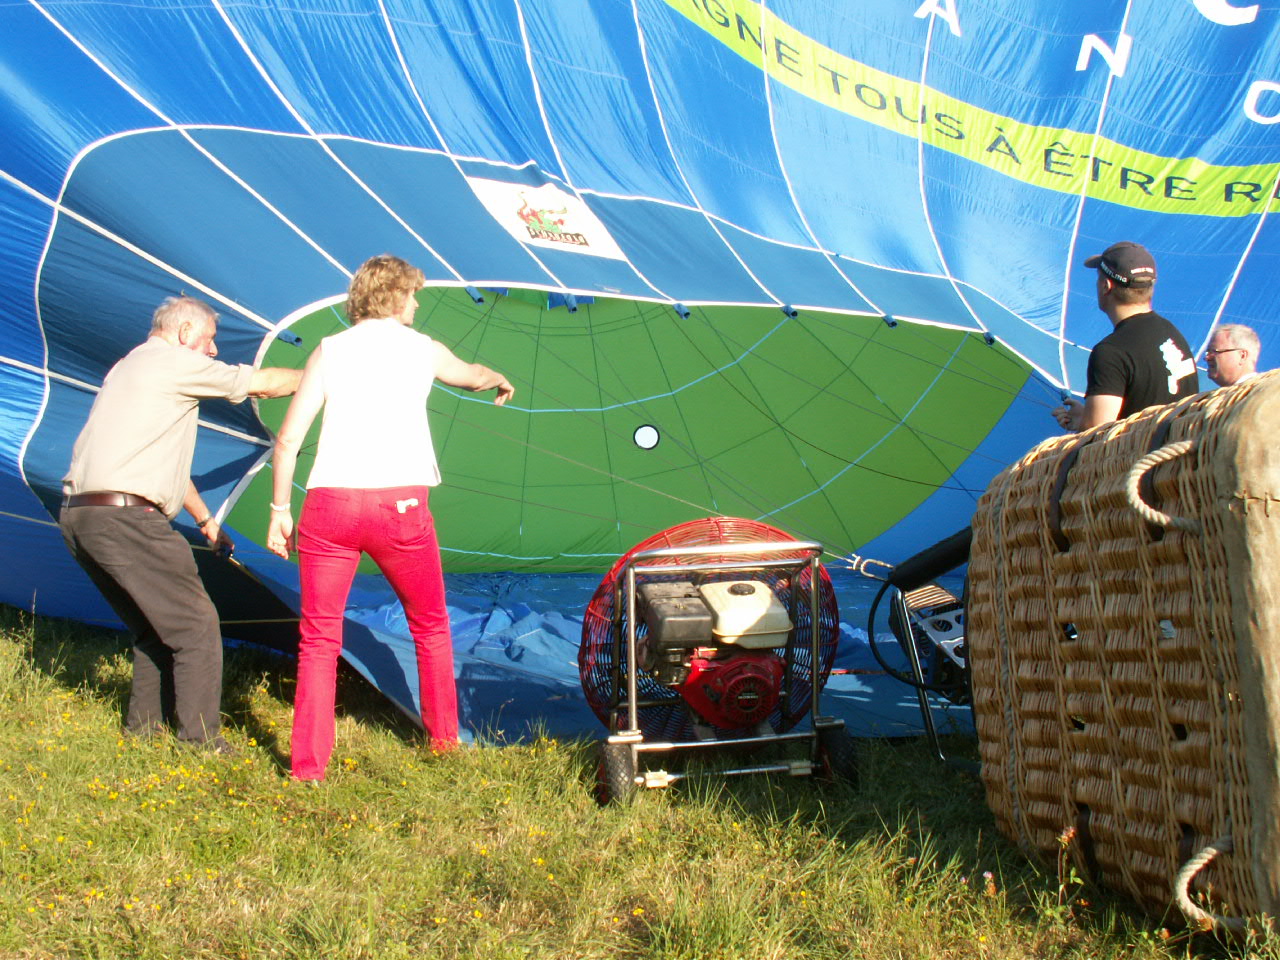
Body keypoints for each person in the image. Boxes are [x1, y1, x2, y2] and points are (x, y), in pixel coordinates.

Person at [266, 254, 515, 782]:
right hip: (399, 507)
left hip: (329, 505)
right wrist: (498, 377)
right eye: (414, 294)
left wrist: (278, 512)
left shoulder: (330, 349)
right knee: (429, 623)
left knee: (318, 637)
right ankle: (443, 741)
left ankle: (308, 769)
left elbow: (288, 439)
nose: (418, 303)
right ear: (395, 296)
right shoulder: (421, 349)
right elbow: (470, 377)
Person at [60, 296, 302, 750]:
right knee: (196, 626)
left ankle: (144, 731)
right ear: (186, 333)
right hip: (126, 519)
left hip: (81, 516)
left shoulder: (129, 368)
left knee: (155, 627)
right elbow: (263, 383)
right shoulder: (172, 362)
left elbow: (160, 467)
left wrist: (206, 520)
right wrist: (323, 377)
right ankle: (200, 740)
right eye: (210, 340)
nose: (212, 351)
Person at [1052, 241, 1199, 432]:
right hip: (1180, 452)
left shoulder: (1110, 352)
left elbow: (1096, 435)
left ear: (1106, 286)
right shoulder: (1172, 333)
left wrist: (1084, 424)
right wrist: (1086, 415)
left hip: (1140, 458)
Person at [1204, 323, 1261, 388]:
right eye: (1208, 352)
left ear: (1242, 356)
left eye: (1214, 351)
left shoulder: (1261, 392)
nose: (1207, 358)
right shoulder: (1214, 396)